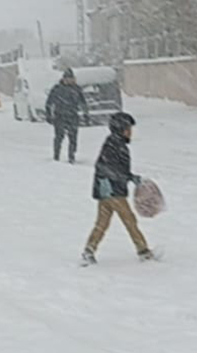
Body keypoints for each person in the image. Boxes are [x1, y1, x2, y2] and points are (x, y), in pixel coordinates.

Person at [83, 111, 154, 264]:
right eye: (128, 129)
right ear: (120, 129)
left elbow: (113, 169)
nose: (130, 132)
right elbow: (109, 169)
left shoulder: (114, 144)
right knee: (129, 220)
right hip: (113, 191)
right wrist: (128, 177)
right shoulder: (114, 145)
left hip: (106, 191)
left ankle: (89, 250)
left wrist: (128, 177)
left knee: (102, 223)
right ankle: (143, 250)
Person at [46, 69, 91, 163]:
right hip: (60, 116)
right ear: (63, 79)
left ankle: (71, 156)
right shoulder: (57, 89)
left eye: (72, 79)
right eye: (68, 79)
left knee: (73, 138)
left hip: (73, 116)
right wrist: (49, 115)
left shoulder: (77, 89)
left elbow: (83, 103)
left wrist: (86, 115)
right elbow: (49, 103)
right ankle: (56, 155)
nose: (70, 81)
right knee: (59, 137)